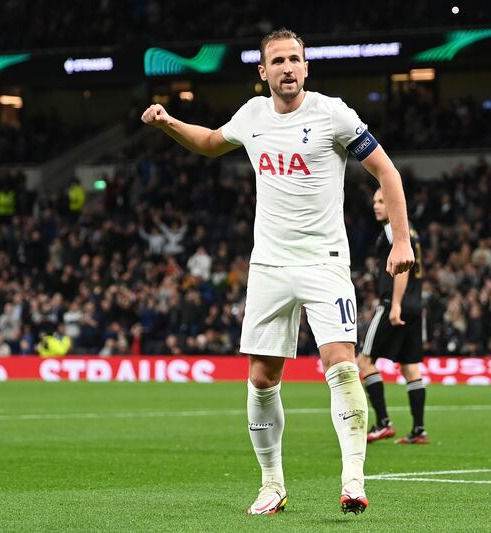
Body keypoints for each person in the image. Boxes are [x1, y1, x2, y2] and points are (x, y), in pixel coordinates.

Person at [141, 28, 414, 516]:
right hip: (268, 264)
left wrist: (401, 239)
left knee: (342, 363)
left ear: (307, 67)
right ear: (263, 72)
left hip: (324, 262)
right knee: (263, 378)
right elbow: (207, 143)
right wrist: (167, 122)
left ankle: (353, 479)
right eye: (279, 61)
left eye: (296, 59)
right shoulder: (252, 117)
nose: (288, 68)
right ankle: (272, 485)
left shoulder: (333, 114)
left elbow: (387, 172)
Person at [358, 188, 429, 444]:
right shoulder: (413, 232)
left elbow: (401, 269)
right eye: (374, 201)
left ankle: (383, 422)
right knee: (410, 367)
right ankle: (419, 429)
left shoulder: (393, 230)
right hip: (415, 304)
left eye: (382, 201)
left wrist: (395, 303)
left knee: (364, 362)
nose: (376, 206)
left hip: (394, 303)